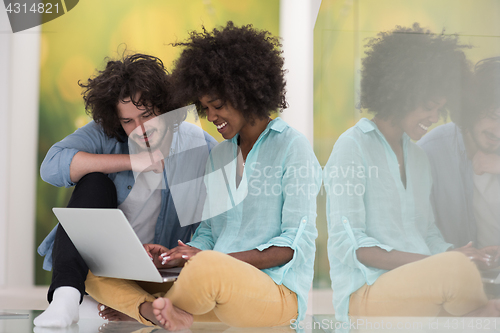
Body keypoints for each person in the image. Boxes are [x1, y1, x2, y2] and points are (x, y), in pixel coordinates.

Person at [84, 22, 321, 330]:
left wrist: (207, 261)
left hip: (274, 296)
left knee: (207, 267)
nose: (211, 118)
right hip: (212, 293)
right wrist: (178, 255)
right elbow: (208, 233)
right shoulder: (220, 155)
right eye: (205, 107)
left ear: (247, 92)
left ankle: (147, 310)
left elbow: (290, 247)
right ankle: (152, 309)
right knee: (95, 269)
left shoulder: (293, 148)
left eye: (218, 106)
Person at [324, 23, 500, 322]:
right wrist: (442, 261)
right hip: (367, 291)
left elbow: (428, 233)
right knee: (463, 280)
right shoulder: (352, 146)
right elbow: (349, 245)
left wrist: (467, 252)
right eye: (429, 107)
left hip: (422, 287)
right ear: (402, 93)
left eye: (439, 109)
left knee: (480, 294)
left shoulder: (418, 157)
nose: (433, 118)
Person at [34, 53, 216, 327]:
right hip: (98, 266)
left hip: (155, 271)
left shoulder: (199, 145)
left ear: (166, 109)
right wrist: (135, 161)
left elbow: (221, 221)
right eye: (128, 121)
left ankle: (137, 304)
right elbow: (51, 166)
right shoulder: (106, 134)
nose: (139, 129)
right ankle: (65, 297)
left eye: (147, 116)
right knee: (94, 182)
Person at [419, 57, 500, 249]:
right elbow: (417, 234)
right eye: (494, 117)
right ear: (474, 106)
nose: (498, 131)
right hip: (452, 274)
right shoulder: (430, 153)